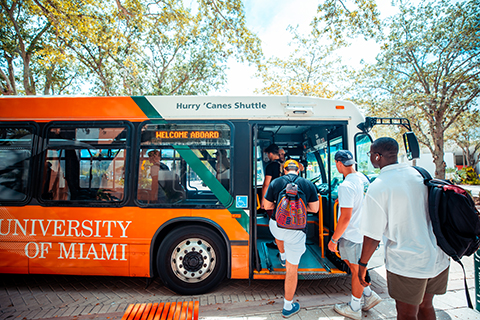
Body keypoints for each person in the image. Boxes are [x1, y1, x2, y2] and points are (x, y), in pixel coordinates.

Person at [357, 137, 450, 320]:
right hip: (437, 257)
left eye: (370, 154)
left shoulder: (379, 186)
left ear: (377, 156)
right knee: (426, 306)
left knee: (407, 314)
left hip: (408, 262)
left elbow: (372, 236)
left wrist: (362, 265)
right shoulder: (421, 174)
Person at [328, 150, 381, 320]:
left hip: (352, 235)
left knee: (357, 271)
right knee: (355, 267)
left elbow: (345, 218)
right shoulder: (363, 179)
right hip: (364, 232)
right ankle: (369, 295)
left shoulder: (345, 186)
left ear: (338, 163)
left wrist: (334, 239)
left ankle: (355, 307)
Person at [264, 159, 319, 318]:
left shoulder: (276, 182)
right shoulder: (308, 184)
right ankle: (288, 306)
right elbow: (314, 209)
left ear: (284, 169)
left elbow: (266, 206)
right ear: (298, 170)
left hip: (278, 227)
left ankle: (282, 254)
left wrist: (281, 209)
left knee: (278, 233)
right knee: (291, 270)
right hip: (297, 231)